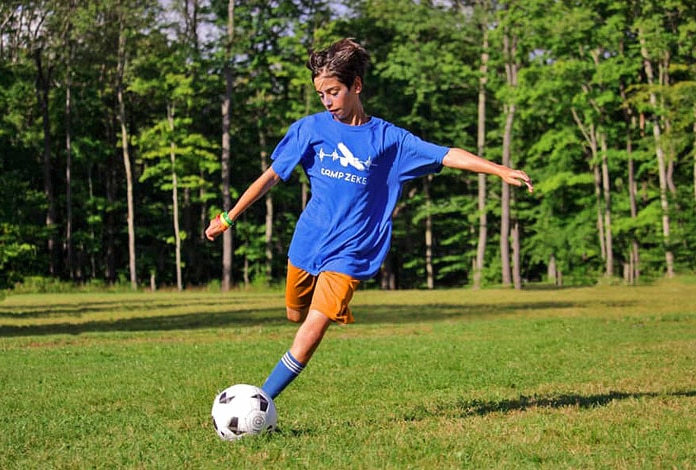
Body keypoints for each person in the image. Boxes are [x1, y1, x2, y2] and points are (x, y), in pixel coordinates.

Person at [205, 38, 533, 400]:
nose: (327, 102)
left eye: (334, 92)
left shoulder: (389, 139)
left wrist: (497, 169)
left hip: (352, 252)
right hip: (308, 242)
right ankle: (280, 363)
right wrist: (229, 217)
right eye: (321, 95)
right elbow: (271, 175)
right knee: (295, 316)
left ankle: (261, 399)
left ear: (356, 86)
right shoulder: (310, 129)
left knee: (315, 326)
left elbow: (445, 154)